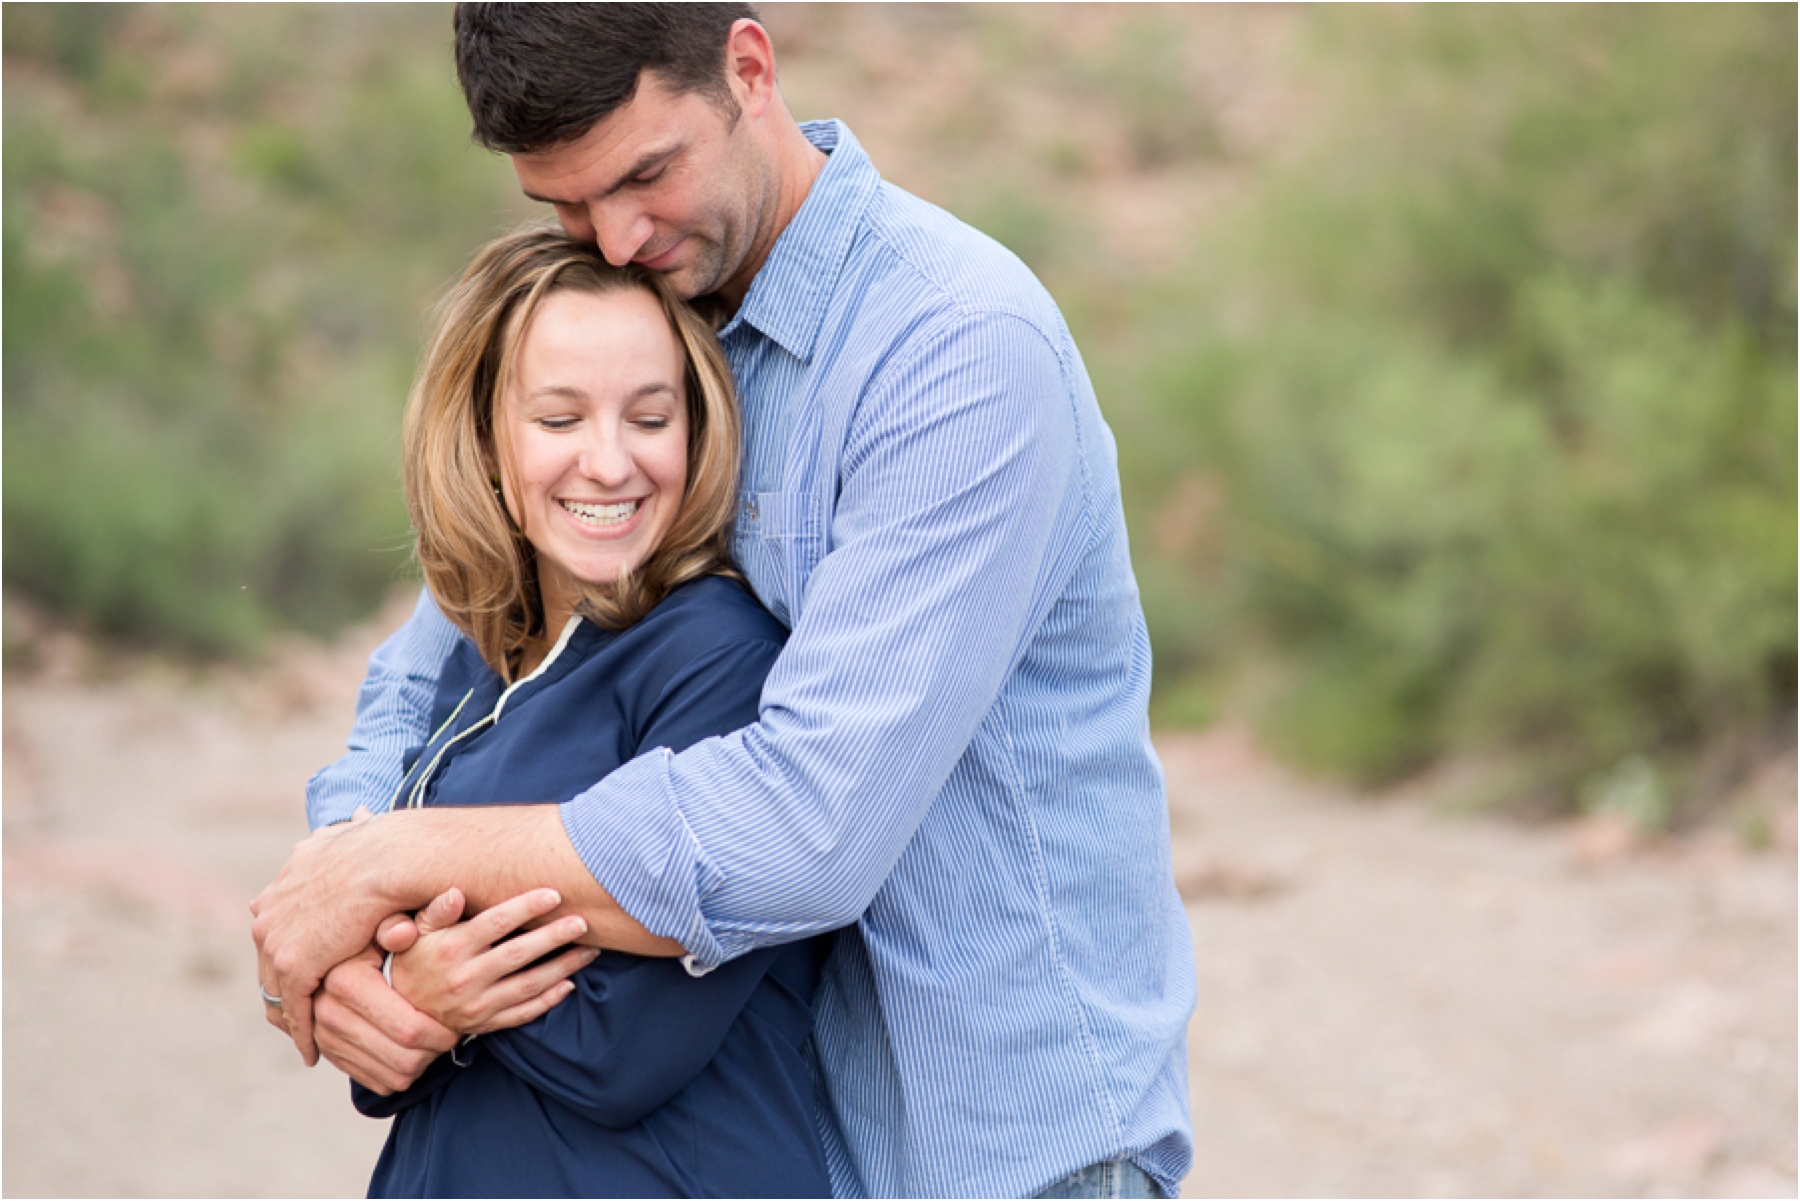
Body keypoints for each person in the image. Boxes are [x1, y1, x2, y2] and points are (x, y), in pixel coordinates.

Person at [254, 6, 1196, 1197]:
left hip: (996, 1153)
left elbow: (807, 830)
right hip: (785, 1147)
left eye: (648, 174)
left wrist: (393, 863)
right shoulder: (645, 323)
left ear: (751, 70)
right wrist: (344, 902)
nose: (619, 236)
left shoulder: (952, 348)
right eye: (567, 207)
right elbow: (451, 648)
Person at [344, 226, 829, 1197]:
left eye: (649, 419)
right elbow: (372, 1049)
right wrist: (401, 995)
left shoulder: (718, 656)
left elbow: (619, 1046)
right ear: (485, 438)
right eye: (560, 420)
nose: (609, 464)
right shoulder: (480, 665)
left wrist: (421, 975)